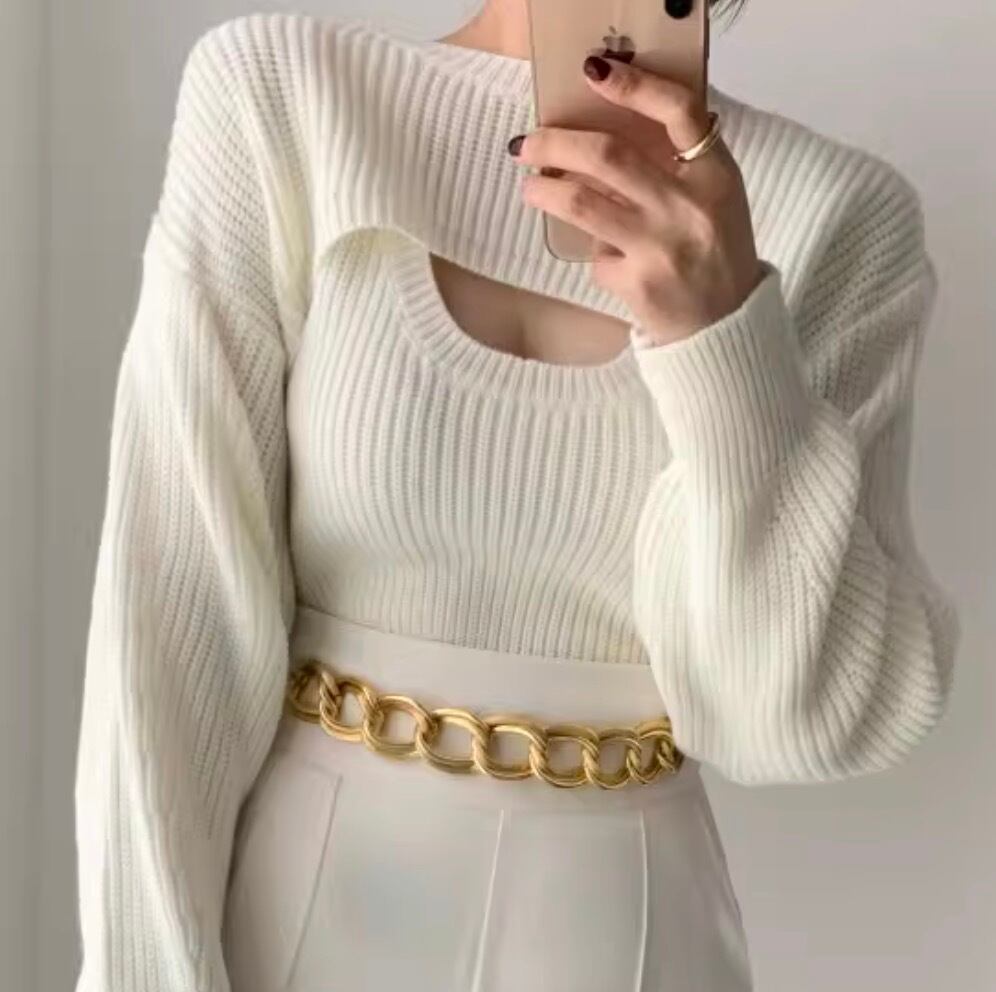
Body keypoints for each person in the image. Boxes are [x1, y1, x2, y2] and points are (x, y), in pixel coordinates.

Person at [72, 2, 961, 990]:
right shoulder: (286, 94)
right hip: (299, 918)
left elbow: (792, 724)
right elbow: (171, 630)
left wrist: (724, 337)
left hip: (635, 939)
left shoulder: (843, 218)